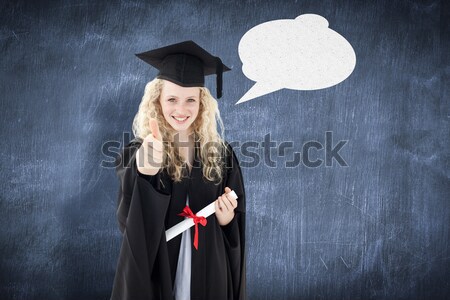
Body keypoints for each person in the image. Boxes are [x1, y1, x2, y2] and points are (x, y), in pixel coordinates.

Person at [111, 41, 246, 300]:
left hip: (209, 265)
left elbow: (235, 223)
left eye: (190, 100)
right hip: (160, 266)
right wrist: (146, 170)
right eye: (172, 99)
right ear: (157, 101)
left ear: (202, 104)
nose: (181, 109)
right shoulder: (140, 149)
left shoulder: (220, 153)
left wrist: (227, 218)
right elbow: (129, 221)